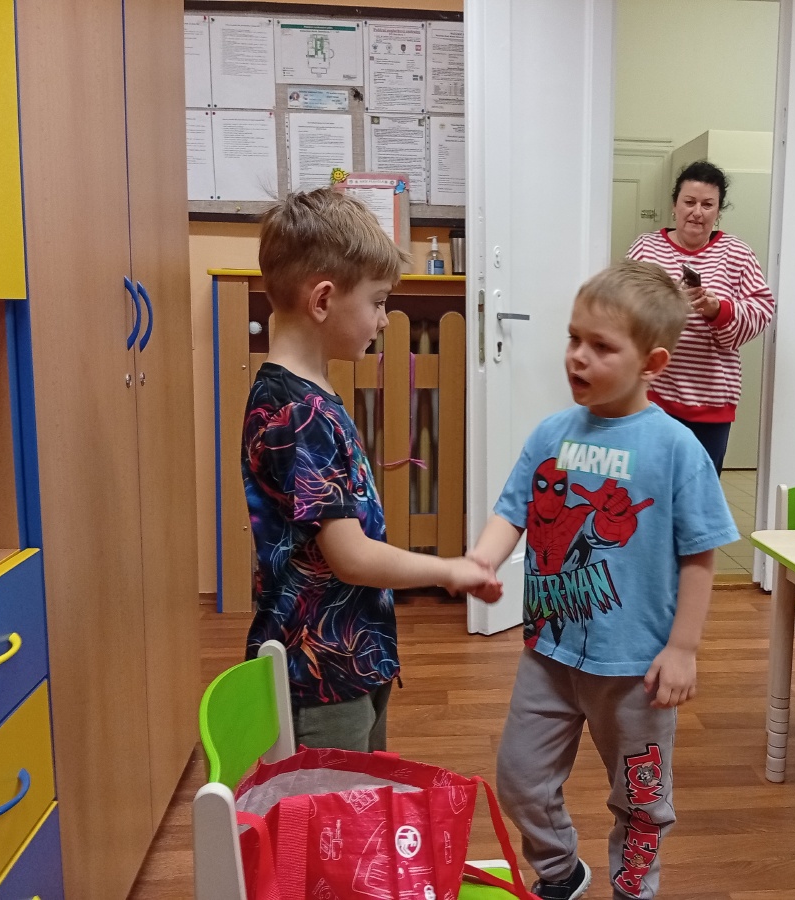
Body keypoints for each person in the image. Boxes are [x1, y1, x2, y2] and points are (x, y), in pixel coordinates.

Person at [467, 260, 738, 900]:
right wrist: (482, 560)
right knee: (520, 779)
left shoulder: (677, 449)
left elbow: (701, 556)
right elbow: (513, 510)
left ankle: (632, 890)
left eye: (601, 346)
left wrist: (683, 649)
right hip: (549, 653)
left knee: (641, 802)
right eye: (573, 338)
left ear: (653, 363)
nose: (578, 356)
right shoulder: (550, 434)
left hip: (637, 670)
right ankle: (561, 870)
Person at [242, 189, 501, 752]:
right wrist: (448, 570)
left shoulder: (309, 394)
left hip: (351, 655)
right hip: (319, 676)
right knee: (332, 804)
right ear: (323, 300)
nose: (384, 319)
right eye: (379, 301)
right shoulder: (297, 413)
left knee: (362, 789)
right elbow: (352, 557)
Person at [626, 160, 775, 472]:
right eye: (689, 202)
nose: (697, 212)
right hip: (651, 395)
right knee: (647, 484)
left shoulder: (737, 253)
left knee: (698, 488)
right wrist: (668, 305)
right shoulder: (646, 248)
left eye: (708, 205)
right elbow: (622, 304)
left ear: (718, 211)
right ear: (674, 206)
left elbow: (763, 309)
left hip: (711, 402)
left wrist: (718, 310)